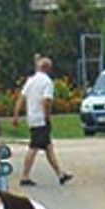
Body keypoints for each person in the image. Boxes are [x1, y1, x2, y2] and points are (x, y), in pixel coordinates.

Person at [13, 56, 72, 186]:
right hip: (41, 119)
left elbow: (21, 98)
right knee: (34, 147)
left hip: (32, 117)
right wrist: (47, 116)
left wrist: (16, 115)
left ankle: (60, 174)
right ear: (48, 68)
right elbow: (46, 101)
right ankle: (24, 176)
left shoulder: (31, 81)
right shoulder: (47, 82)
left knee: (48, 146)